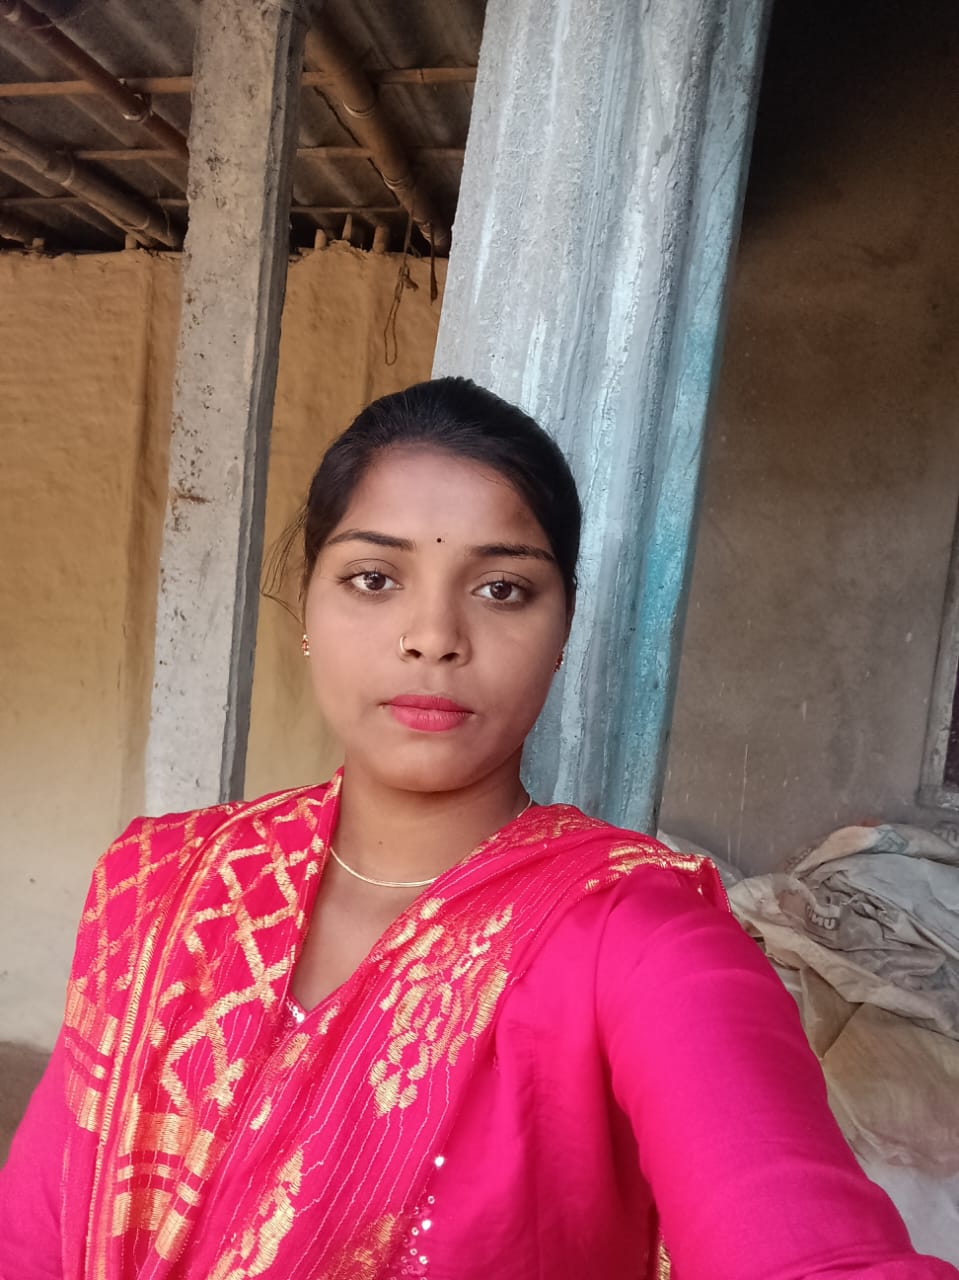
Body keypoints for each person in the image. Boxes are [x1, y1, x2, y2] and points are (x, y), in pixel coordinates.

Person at [0, 377, 954, 1280]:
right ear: (307, 604)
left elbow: (804, 1248)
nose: (432, 636)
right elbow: (35, 1232)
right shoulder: (165, 883)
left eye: (501, 589)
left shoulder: (640, 940)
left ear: (563, 630)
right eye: (374, 577)